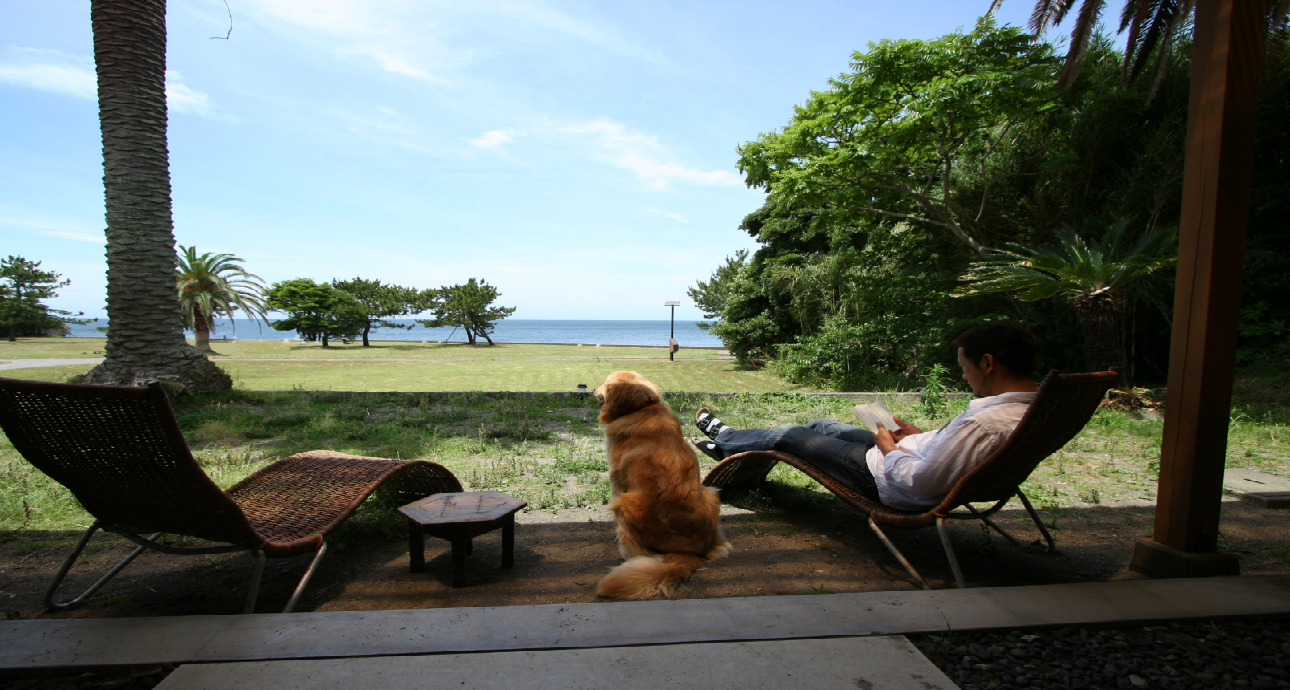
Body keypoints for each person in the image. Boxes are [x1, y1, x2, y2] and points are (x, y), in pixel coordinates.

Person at [693, 321, 1039, 511]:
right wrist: (916, 435)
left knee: (791, 435)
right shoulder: (1031, 411)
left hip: (886, 480)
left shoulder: (986, 423)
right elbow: (952, 452)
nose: (964, 376)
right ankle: (731, 445)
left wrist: (890, 449)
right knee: (823, 426)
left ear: (988, 363)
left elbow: (921, 482)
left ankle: (724, 438)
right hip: (909, 455)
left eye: (965, 368)